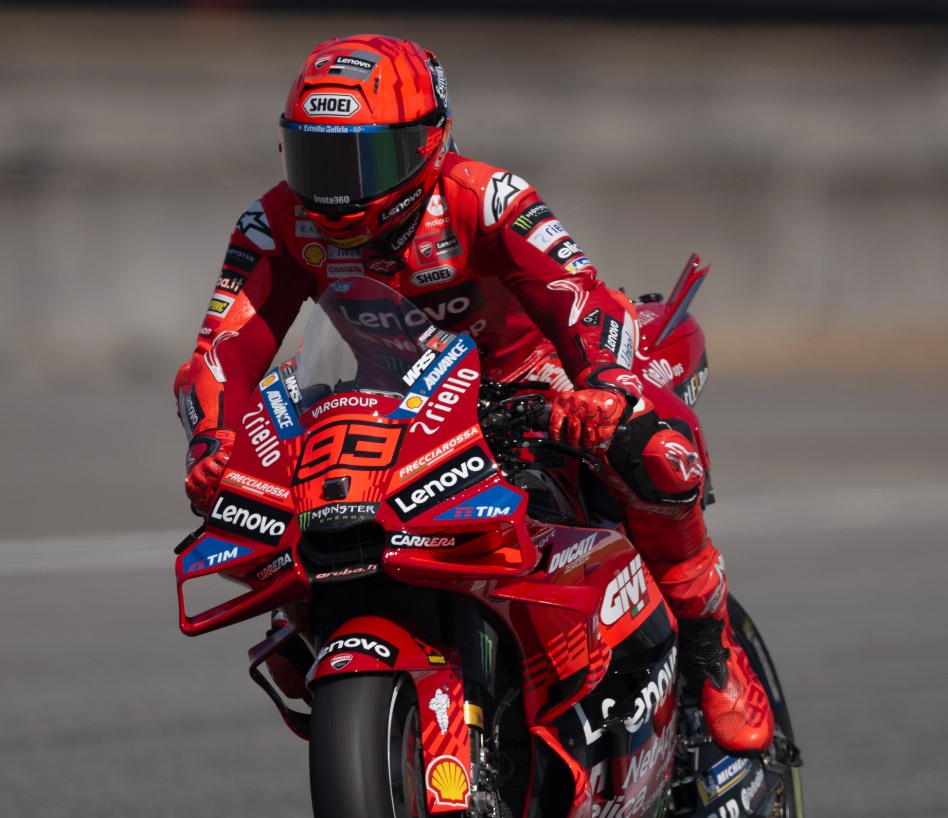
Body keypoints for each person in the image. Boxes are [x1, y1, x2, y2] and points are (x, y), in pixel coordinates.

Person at [172, 34, 774, 754]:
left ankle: (713, 649)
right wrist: (216, 440)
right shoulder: (275, 223)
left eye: (366, 160)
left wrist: (607, 392)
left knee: (655, 448)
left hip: (529, 385)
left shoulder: (488, 199)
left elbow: (582, 303)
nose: (339, 191)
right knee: (287, 540)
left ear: (429, 142)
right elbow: (220, 353)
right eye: (318, 159)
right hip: (391, 406)